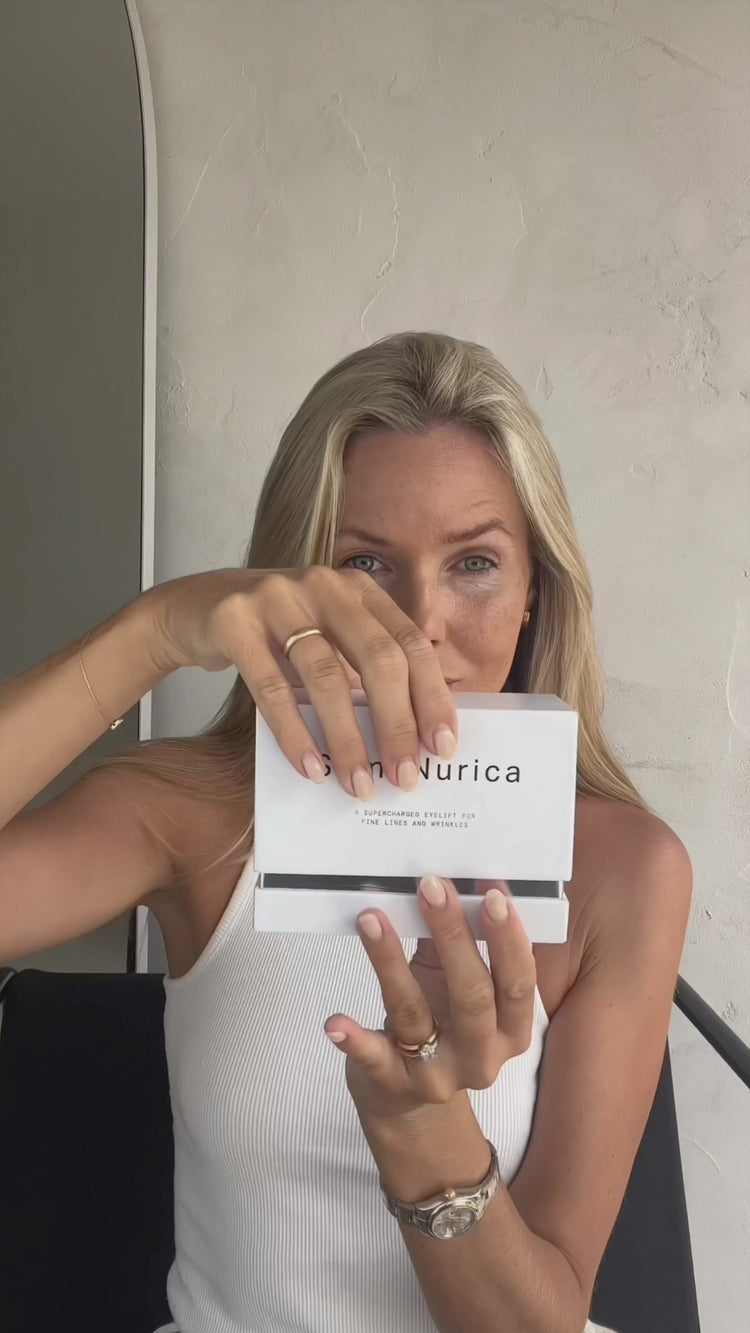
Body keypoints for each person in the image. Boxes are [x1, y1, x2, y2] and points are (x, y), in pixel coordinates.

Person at [0, 331, 692, 1333]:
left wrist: (423, 1129)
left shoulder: (624, 867)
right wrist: (155, 631)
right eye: (364, 563)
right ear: (289, 587)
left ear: (534, 588)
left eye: (475, 562)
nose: (418, 626)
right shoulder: (197, 816)